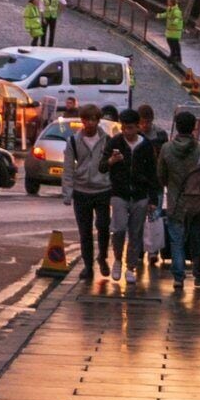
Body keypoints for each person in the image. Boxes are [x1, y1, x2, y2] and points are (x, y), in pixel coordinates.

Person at [158, 106, 200, 290]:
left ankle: (179, 276)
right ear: (194, 128)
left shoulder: (166, 149)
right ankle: (199, 274)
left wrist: (171, 186)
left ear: (177, 126)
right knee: (196, 239)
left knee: (176, 240)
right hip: (196, 203)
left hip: (175, 201)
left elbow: (161, 175)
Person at [60, 106, 113, 282]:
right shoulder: (73, 141)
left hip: (103, 189)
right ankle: (88, 266)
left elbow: (113, 165)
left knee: (103, 226)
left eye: (93, 119)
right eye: (86, 119)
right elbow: (68, 168)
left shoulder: (107, 140)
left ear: (98, 120)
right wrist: (67, 192)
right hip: (81, 191)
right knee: (85, 231)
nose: (90, 123)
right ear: (82, 121)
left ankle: (103, 256)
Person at [105, 110, 157, 292]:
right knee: (118, 229)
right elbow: (102, 166)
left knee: (136, 233)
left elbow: (152, 173)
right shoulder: (115, 143)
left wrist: (153, 199)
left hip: (140, 195)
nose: (127, 132)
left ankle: (131, 267)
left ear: (138, 126)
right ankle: (118, 259)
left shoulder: (146, 146)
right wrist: (112, 160)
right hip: (119, 193)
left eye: (131, 128)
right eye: (124, 128)